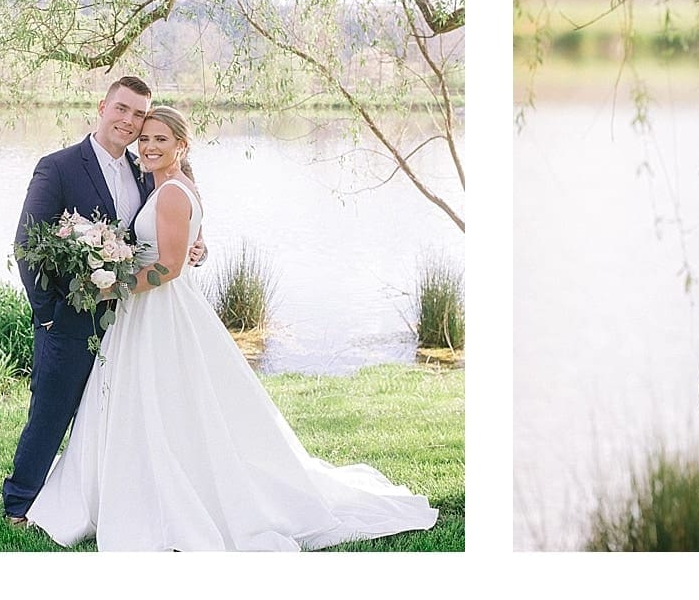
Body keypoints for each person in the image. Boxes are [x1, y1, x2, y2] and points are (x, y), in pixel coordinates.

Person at [24, 105, 438, 550]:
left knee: (156, 397)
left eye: (160, 139)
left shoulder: (171, 193)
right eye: (144, 139)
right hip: (152, 310)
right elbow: (178, 250)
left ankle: (165, 491)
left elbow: (168, 268)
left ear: (181, 145)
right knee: (160, 400)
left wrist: (113, 287)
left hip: (158, 308)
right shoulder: (170, 186)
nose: (148, 146)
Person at [1, 76, 202, 527]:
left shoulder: (144, 169)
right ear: (102, 107)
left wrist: (195, 245)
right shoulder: (58, 167)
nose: (129, 122)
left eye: (138, 114)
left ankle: (102, 496)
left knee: (114, 412)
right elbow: (25, 244)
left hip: (131, 317)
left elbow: (169, 222)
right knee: (52, 410)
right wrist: (47, 316)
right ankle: (19, 502)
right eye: (122, 109)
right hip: (69, 317)